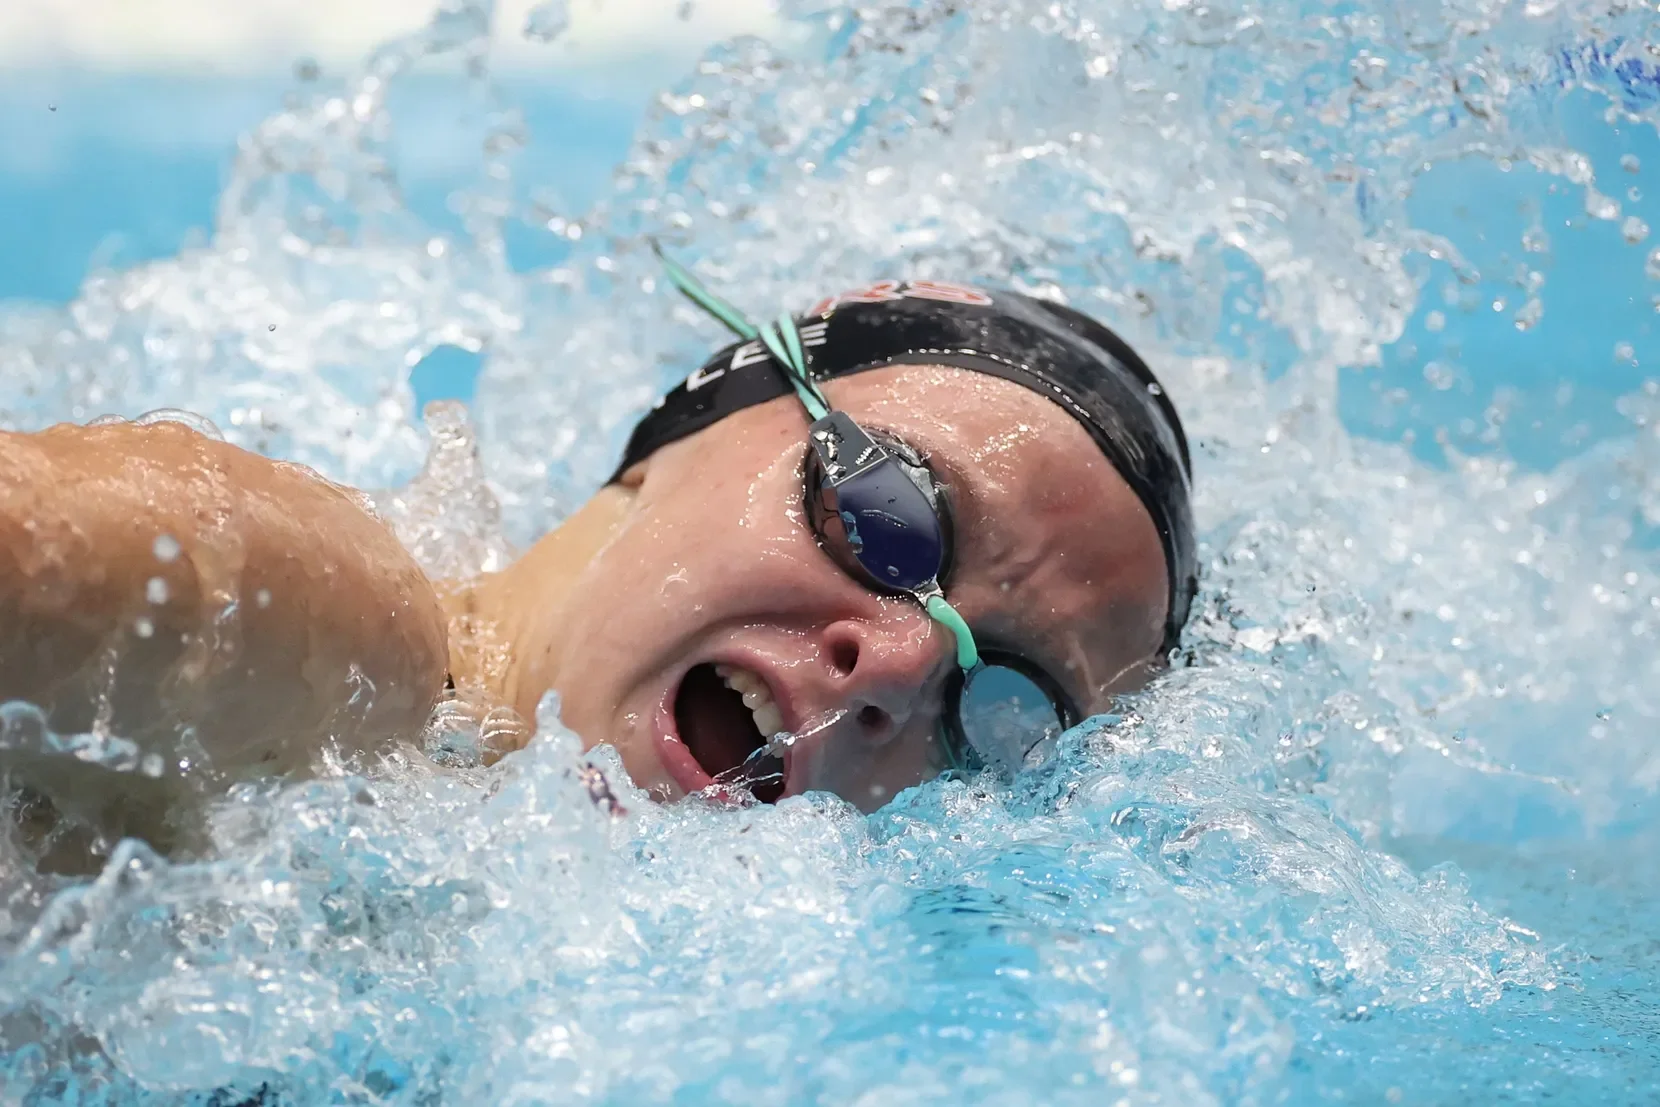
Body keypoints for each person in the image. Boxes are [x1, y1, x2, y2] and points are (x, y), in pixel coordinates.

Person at [0, 259, 1195, 869]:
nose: (891, 663)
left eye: (1002, 709)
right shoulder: (355, 649)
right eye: (890, 516)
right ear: (680, 436)